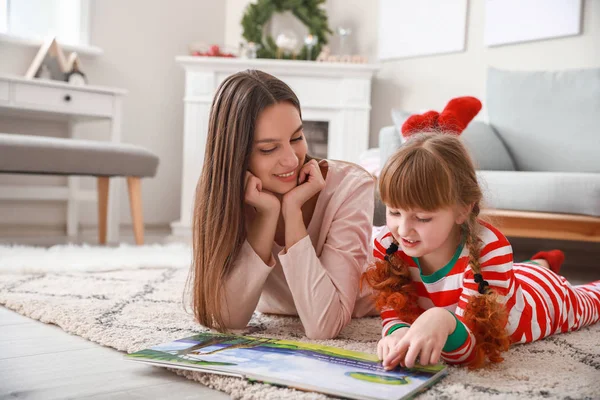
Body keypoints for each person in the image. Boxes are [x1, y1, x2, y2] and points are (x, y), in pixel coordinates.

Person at [362, 96, 600, 369]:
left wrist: (440, 318)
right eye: (393, 212)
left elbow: (472, 350)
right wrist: (397, 332)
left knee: (590, 299)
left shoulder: (489, 249)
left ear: (463, 210)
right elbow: (394, 310)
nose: (403, 230)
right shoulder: (388, 244)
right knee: (516, 273)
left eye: (423, 217)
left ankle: (543, 267)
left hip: (539, 299)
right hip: (507, 277)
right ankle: (541, 261)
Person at [189, 70, 376, 340]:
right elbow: (227, 319)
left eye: (297, 138)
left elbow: (325, 326)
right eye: (268, 149)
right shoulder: (222, 194)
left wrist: (292, 213)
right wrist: (267, 215)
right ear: (235, 153)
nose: (291, 160)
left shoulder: (350, 187)